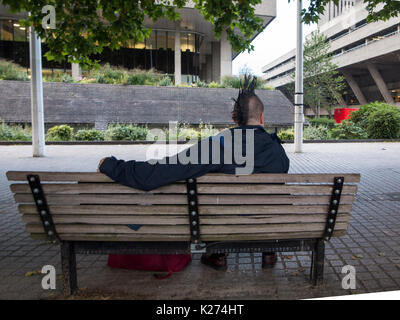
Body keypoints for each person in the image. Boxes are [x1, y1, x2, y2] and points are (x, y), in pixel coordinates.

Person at [98, 75, 290, 270]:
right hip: (266, 225)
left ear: (233, 119)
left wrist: (111, 165)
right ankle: (268, 251)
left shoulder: (217, 145)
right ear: (262, 118)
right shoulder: (278, 151)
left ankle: (217, 254)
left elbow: (157, 173)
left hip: (223, 226)